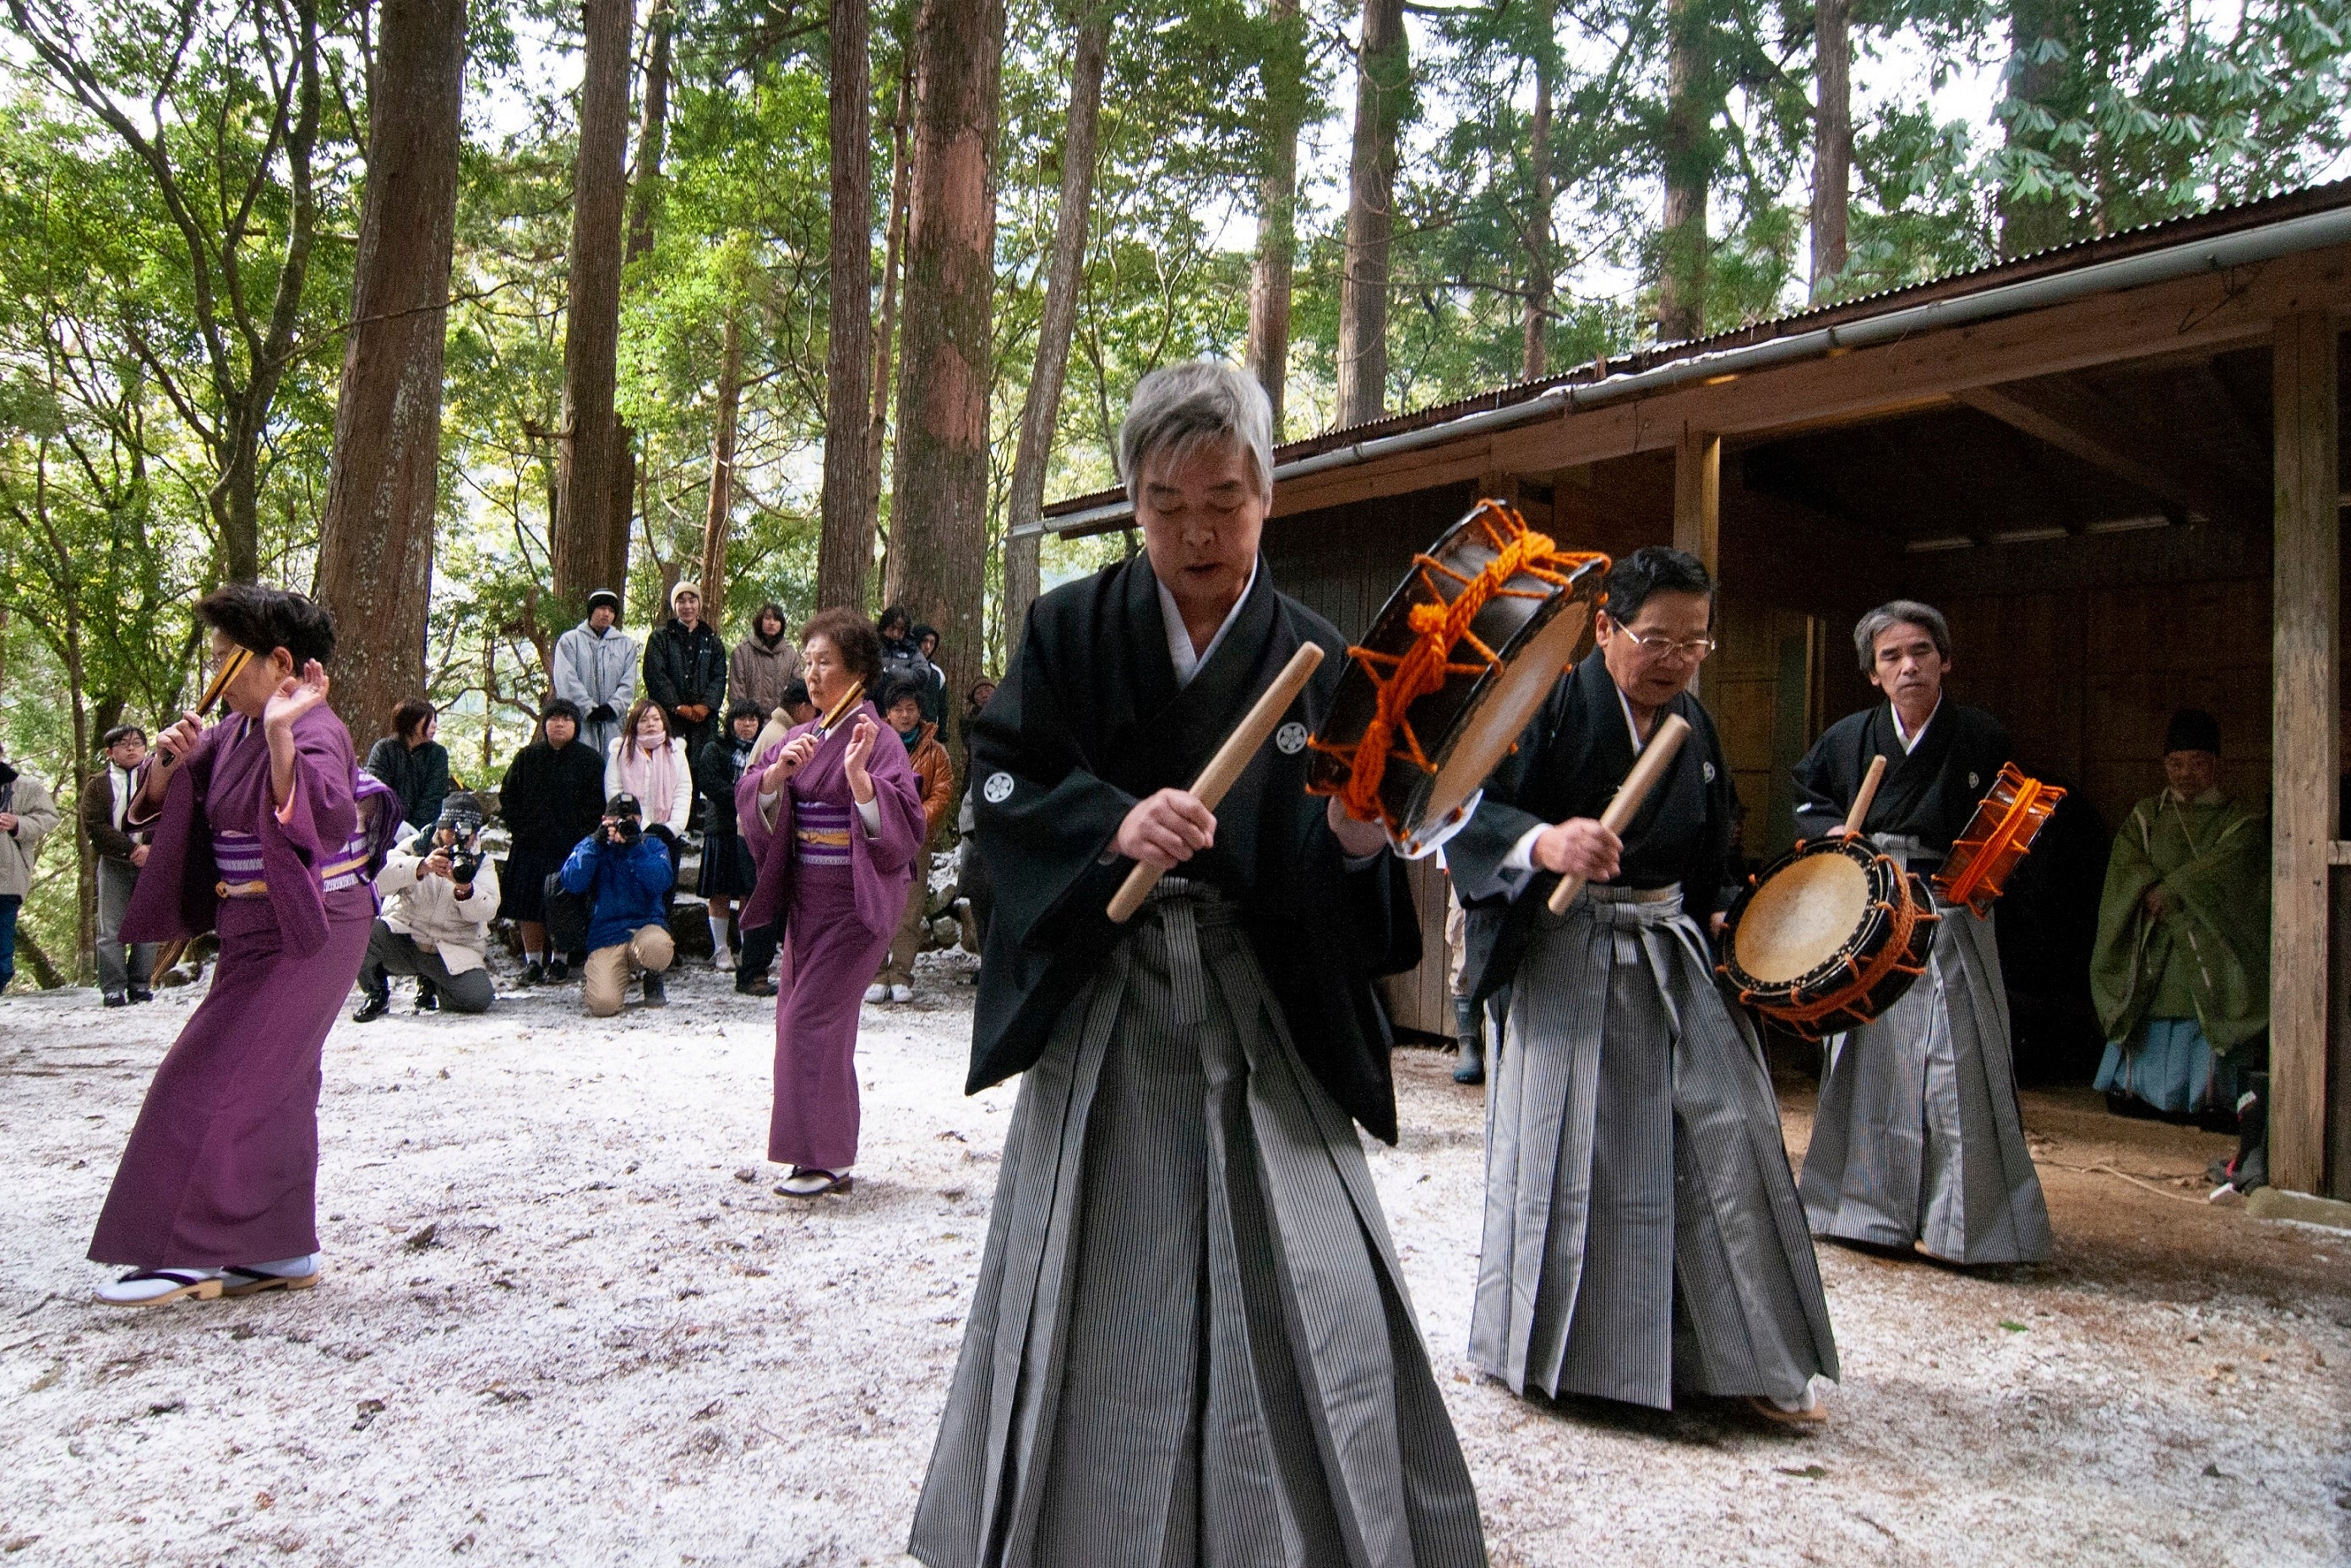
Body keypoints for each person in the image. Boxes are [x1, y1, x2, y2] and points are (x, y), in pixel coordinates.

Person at [909, 360, 1483, 1566]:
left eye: (1223, 499)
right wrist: (1109, 820)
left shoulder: (1322, 659)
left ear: (1266, 496)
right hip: (1112, 1002)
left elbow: (1346, 876)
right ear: (1132, 501)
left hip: (1256, 998)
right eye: (1165, 503)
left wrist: (1352, 837)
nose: (1196, 530)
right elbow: (1004, 779)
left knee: (1307, 1283)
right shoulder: (1070, 629)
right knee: (1096, 1289)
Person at [1447, 545, 1838, 1426]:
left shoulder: (1692, 728)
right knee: (1584, 1152)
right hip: (1563, 948)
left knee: (1723, 1131)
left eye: (1692, 643)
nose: (1672, 659)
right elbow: (1461, 807)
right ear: (1603, 628)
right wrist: (1544, 844)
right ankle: (1574, 1361)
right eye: (1655, 637)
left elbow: (1713, 854)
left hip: (1665, 948)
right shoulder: (1541, 701)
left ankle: (1726, 1354)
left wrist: (1734, 923)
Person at [90, 584, 394, 1306]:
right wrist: (167, 759)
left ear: (278, 661)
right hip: (251, 926)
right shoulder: (231, 732)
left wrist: (287, 733)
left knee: (212, 1076)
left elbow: (321, 817)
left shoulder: (314, 729)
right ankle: (278, 1246)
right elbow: (169, 803)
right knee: (279, 1083)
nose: (217, 672)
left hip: (313, 926)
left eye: (228, 658)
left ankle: (187, 1253)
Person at [1792, 600, 2052, 1265]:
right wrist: (1831, 833)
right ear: (1873, 674)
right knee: (1868, 1054)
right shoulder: (1848, 736)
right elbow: (1808, 799)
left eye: (1920, 653)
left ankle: (1965, 1227)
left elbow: (2006, 820)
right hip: (1872, 902)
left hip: (1952, 901)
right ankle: (1863, 1211)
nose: (1908, 667)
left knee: (1959, 1059)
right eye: (1891, 657)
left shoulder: (1979, 735)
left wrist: (1984, 875)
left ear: (1944, 662)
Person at [736, 609, 925, 1198]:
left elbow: (906, 826)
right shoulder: (797, 737)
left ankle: (820, 1158)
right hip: (806, 902)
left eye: (826, 663)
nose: (813, 675)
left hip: (857, 901)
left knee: (809, 1019)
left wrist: (860, 781)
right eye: (808, 662)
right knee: (816, 1023)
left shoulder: (879, 738)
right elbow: (752, 801)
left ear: (858, 671)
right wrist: (773, 781)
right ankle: (826, 1155)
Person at [2090, 709, 2268, 1124]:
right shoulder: (2145, 818)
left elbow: (2228, 866)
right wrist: (2148, 891)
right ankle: (2137, 1091)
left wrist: (2172, 890)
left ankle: (2208, 1098)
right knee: (2148, 1007)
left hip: (2209, 944)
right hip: (2155, 941)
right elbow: (2126, 866)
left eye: (2198, 763)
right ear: (2165, 766)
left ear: (2216, 766)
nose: (2186, 773)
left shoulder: (2239, 821)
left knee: (2208, 1006)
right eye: (2177, 763)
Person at [354, 792, 499, 1019]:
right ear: (440, 827)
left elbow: (488, 910)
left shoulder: (481, 862)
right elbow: (376, 882)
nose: (457, 839)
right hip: (406, 938)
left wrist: (465, 890)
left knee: (477, 998)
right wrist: (419, 867)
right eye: (451, 831)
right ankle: (376, 992)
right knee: (361, 932)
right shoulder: (415, 845)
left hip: (450, 949)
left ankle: (433, 984)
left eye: (466, 833)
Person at [497, 698, 606, 984]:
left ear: (576, 726)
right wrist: (521, 830)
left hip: (570, 850)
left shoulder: (590, 761)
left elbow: (597, 806)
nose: (559, 724)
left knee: (564, 904)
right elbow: (508, 797)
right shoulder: (526, 757)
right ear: (544, 724)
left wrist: (580, 837)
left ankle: (560, 960)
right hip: (529, 847)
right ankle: (532, 962)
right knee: (528, 906)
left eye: (566, 719)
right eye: (554, 718)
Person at [868, 675, 955, 1004]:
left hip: (917, 841)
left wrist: (915, 820)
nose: (905, 715)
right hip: (879, 838)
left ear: (920, 711)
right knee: (877, 906)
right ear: (887, 713)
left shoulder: (936, 752)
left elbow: (942, 791)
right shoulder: (873, 745)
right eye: (898, 709)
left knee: (909, 908)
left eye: (911, 709)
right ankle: (875, 973)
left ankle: (901, 973)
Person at [559, 792, 676, 1015]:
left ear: (640, 821)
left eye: (631, 821)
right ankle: (608, 977)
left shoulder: (652, 845)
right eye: (617, 821)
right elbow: (572, 882)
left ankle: (653, 976)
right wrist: (596, 844)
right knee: (603, 1005)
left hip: (645, 929)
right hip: (607, 935)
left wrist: (635, 849)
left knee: (658, 946)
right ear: (605, 820)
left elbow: (662, 882)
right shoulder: (592, 846)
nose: (624, 826)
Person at [695, 699, 778, 994]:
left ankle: (747, 948)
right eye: (741, 719)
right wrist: (742, 799)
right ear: (731, 722)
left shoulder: (766, 749)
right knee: (718, 890)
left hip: (750, 830)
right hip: (722, 825)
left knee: (747, 890)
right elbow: (708, 781)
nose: (747, 725)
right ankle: (720, 948)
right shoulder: (714, 748)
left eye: (752, 720)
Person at [83, 725, 160, 1005]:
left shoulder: (158, 777)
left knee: (148, 925)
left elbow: (173, 815)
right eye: (124, 744)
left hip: (152, 862)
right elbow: (93, 825)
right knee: (111, 928)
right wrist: (131, 849)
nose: (131, 749)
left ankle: (141, 984)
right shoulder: (98, 784)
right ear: (109, 751)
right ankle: (113, 987)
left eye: (137, 743)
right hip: (114, 861)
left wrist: (151, 848)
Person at [643, 580, 728, 815]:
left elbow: (719, 676)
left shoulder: (712, 640)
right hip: (671, 717)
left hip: (703, 718)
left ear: (699, 604)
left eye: (692, 600)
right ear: (674, 605)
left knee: (701, 765)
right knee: (670, 765)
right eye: (681, 601)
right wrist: (677, 706)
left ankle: (696, 817)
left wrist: (706, 705)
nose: (687, 606)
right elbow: (655, 675)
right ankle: (670, 818)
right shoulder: (660, 638)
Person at [607, 698, 694, 883]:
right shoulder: (620, 751)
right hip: (629, 834)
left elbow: (683, 791)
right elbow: (615, 793)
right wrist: (643, 825)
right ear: (634, 724)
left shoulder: (675, 752)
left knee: (664, 892)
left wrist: (673, 828)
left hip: (669, 835)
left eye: (655, 719)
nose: (651, 724)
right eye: (644, 720)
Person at [0, 748, 61, 995]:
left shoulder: (24, 786)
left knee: (2, 959)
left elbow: (50, 817)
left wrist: (18, 824)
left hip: (7, 880)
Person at [552, 588, 638, 757]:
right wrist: (588, 708)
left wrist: (612, 708)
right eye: (602, 608)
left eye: (611, 610)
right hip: (580, 722)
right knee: (583, 769)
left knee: (613, 771)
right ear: (592, 610)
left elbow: (628, 683)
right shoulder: (570, 641)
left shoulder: (626, 645)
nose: (606, 614)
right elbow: (566, 678)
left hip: (613, 724)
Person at [363, 697, 452, 834]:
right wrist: (396, 827)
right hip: (385, 830)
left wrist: (414, 832)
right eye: (429, 720)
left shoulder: (437, 754)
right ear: (412, 722)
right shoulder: (385, 749)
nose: (434, 725)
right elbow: (378, 792)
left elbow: (434, 798)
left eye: (435, 720)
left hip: (422, 832)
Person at [728, 601, 803, 720]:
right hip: (750, 723)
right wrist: (747, 720)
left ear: (782, 624)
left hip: (781, 724)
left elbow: (796, 693)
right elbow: (737, 692)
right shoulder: (742, 652)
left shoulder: (790, 654)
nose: (772, 623)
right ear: (760, 621)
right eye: (768, 618)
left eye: (777, 619)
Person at [878, 606, 943, 729]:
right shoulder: (873, 646)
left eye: (901, 630)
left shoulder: (911, 650)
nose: (896, 634)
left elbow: (922, 674)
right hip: (875, 707)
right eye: (892, 628)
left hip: (901, 710)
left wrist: (892, 673)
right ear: (884, 626)